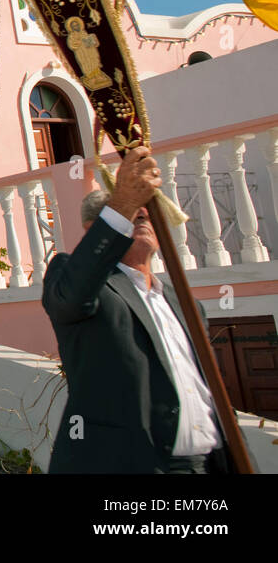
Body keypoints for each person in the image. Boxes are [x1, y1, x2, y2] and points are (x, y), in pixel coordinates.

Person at [43, 146, 233, 473]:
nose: (143, 215)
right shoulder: (78, 280)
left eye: (147, 211)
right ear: (96, 232)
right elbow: (70, 297)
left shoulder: (184, 303)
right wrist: (123, 203)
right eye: (135, 214)